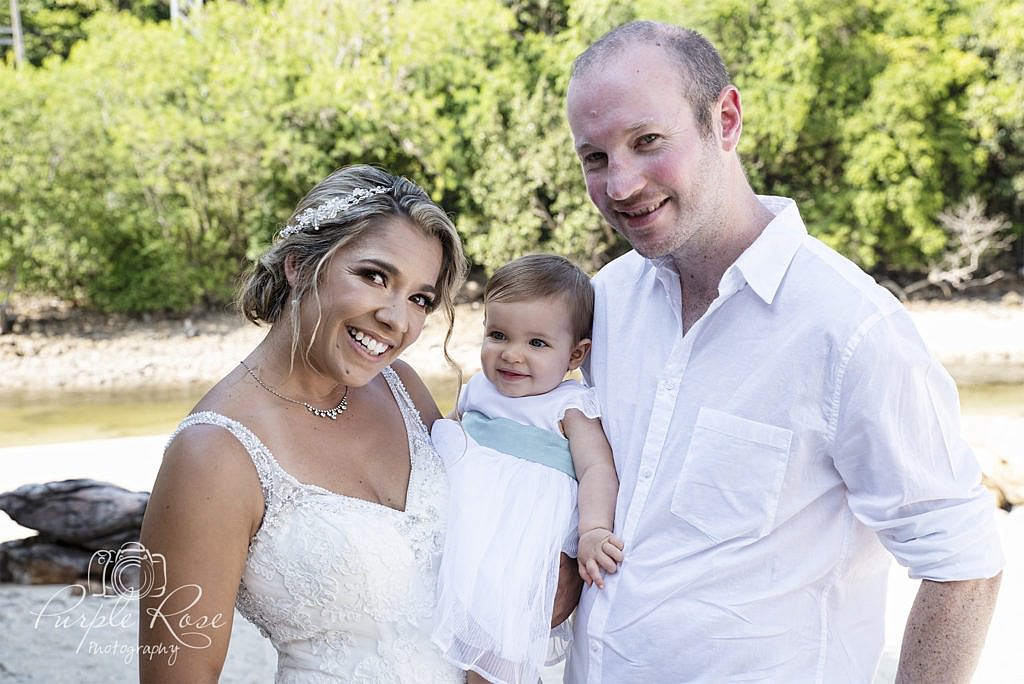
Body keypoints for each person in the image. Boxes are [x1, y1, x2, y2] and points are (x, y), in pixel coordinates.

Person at [563, 20, 1004, 683]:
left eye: (647, 141)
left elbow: (963, 564)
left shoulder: (851, 329)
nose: (620, 185)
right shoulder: (606, 301)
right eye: (595, 157)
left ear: (727, 121)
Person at [138, 165, 473, 682]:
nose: (397, 319)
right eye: (374, 276)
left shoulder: (403, 389)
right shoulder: (213, 453)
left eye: (420, 298)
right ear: (299, 265)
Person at [430, 254, 623, 684]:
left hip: (518, 550)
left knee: (500, 656)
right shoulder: (476, 389)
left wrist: (593, 530)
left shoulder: (568, 406)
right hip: (465, 535)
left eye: (537, 344)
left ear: (576, 353)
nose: (512, 355)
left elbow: (596, 469)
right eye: (498, 335)